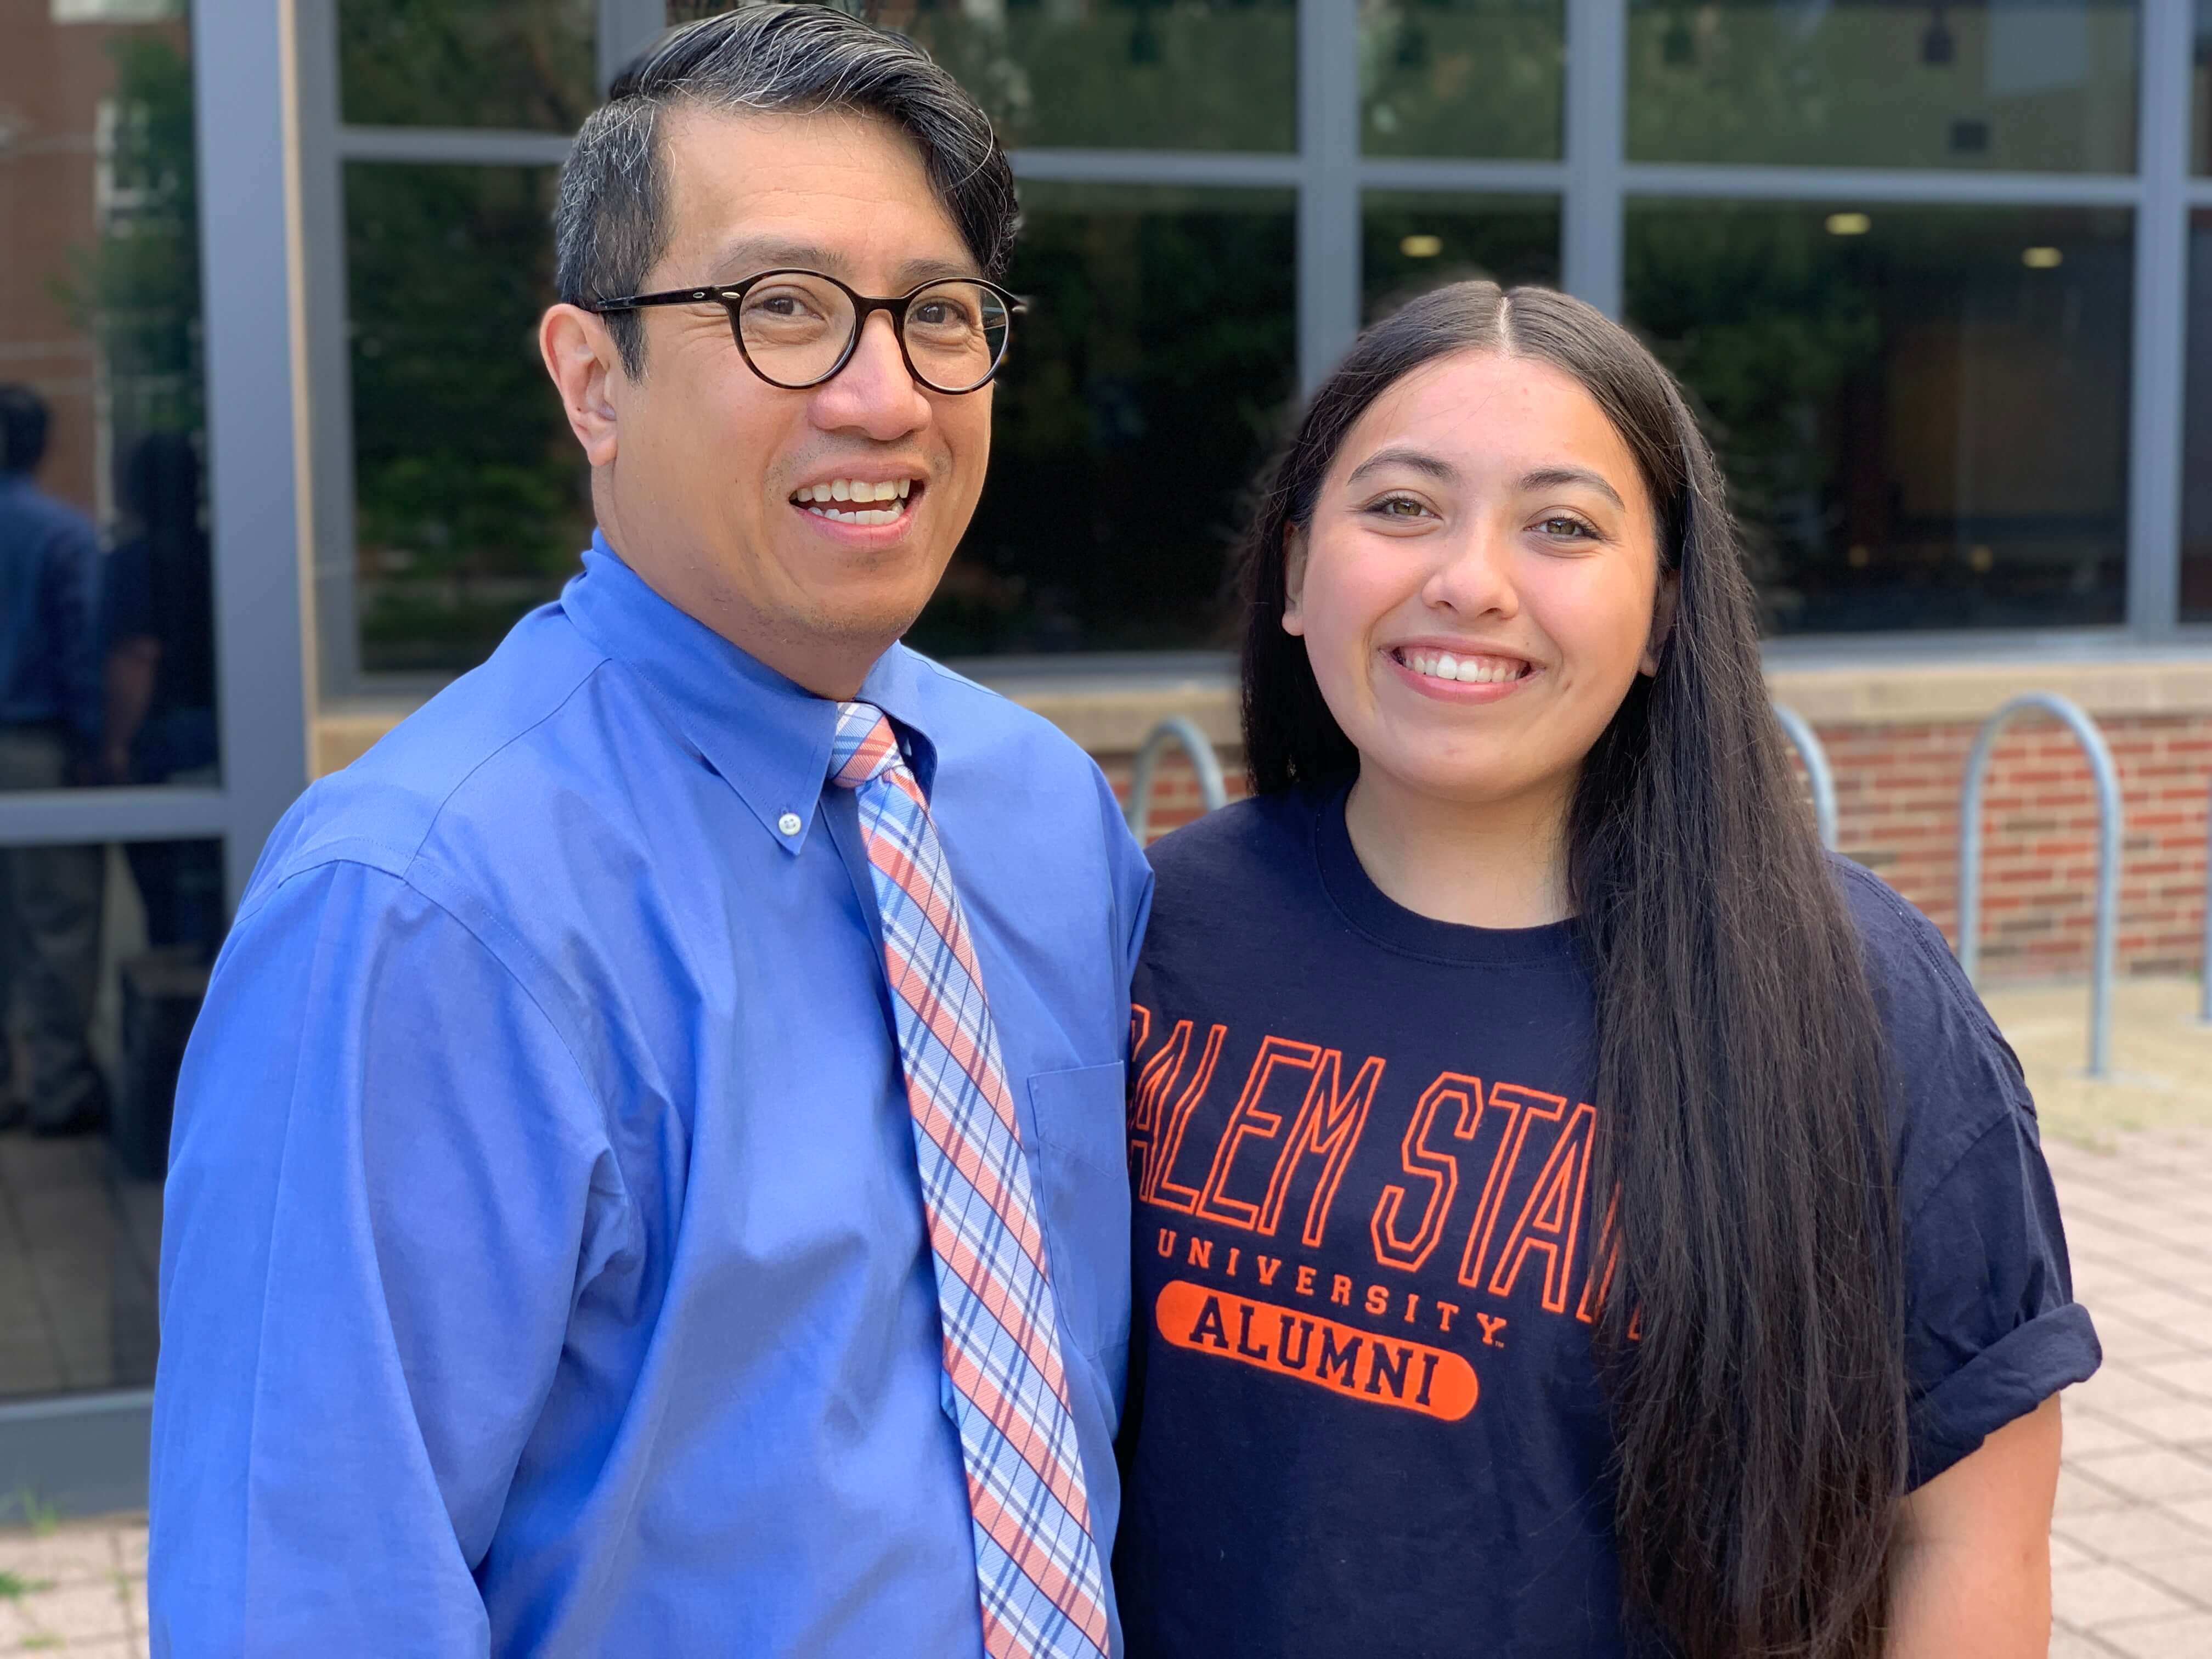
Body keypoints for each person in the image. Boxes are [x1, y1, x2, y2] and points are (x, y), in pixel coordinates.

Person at [150, 9, 1147, 1655]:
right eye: (785, 312)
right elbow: (308, 1599)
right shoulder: (416, 906)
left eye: (941, 315)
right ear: (591, 379)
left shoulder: (1041, 810)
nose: (885, 393)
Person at [1113, 281, 2098, 1658]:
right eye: (1400, 506)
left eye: (1564, 526)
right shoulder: (1145, 935)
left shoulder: (1852, 995)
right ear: (1291, 569)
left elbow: (1968, 1534)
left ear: (1661, 614)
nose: (1469, 579)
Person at [0, 382, 108, 1137]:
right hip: (33, 749)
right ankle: (60, 1086)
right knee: (57, 924)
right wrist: (97, 745)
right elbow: (84, 650)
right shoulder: (61, 535)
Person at [102, 432, 223, 958]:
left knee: (167, 901)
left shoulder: (133, 562)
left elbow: (137, 657)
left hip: (161, 738)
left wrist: (114, 745)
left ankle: (174, 1023)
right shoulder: (222, 555)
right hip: (223, 736)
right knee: (219, 891)